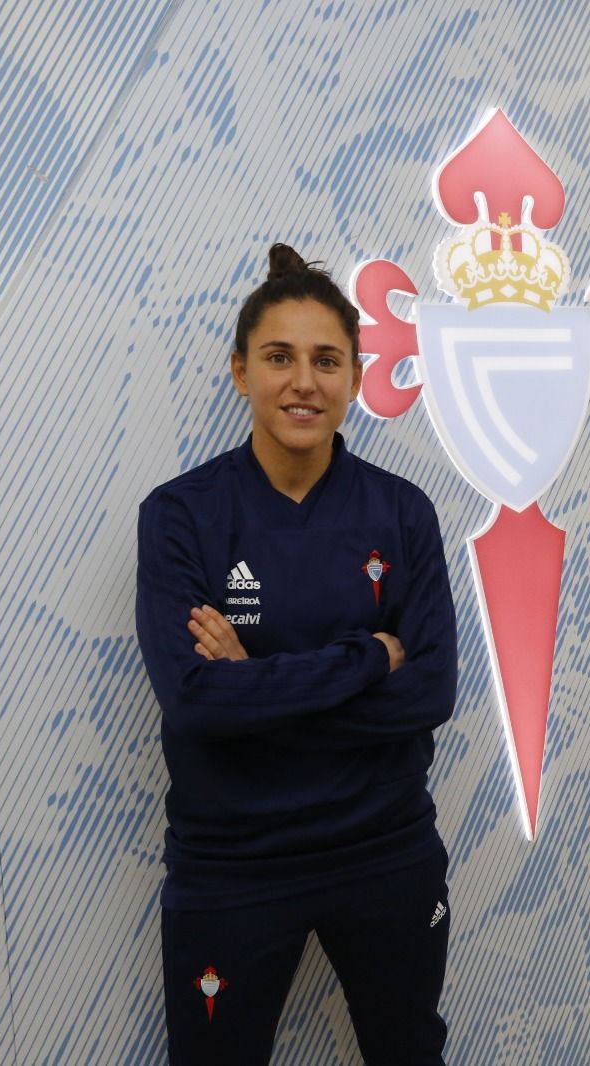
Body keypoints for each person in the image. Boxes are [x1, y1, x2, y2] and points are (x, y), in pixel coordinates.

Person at [135, 243, 457, 1064]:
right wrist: (362, 660)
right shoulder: (180, 517)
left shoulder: (402, 513)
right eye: (279, 358)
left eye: (326, 360)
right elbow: (196, 702)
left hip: (384, 849)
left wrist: (254, 685)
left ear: (354, 377)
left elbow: (430, 694)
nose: (303, 382)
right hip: (233, 867)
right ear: (241, 372)